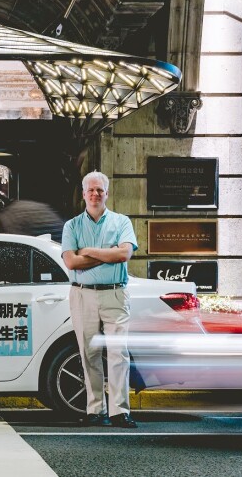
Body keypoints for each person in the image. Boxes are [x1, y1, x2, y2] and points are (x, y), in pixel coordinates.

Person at [60, 171, 138, 428]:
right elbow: (71, 261)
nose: (95, 194)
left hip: (115, 292)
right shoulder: (71, 226)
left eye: (100, 190)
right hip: (82, 293)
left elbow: (124, 254)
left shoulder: (122, 222)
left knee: (118, 353)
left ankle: (119, 411)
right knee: (89, 353)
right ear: (83, 194)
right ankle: (95, 410)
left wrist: (90, 252)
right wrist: (109, 252)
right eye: (91, 190)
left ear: (107, 193)